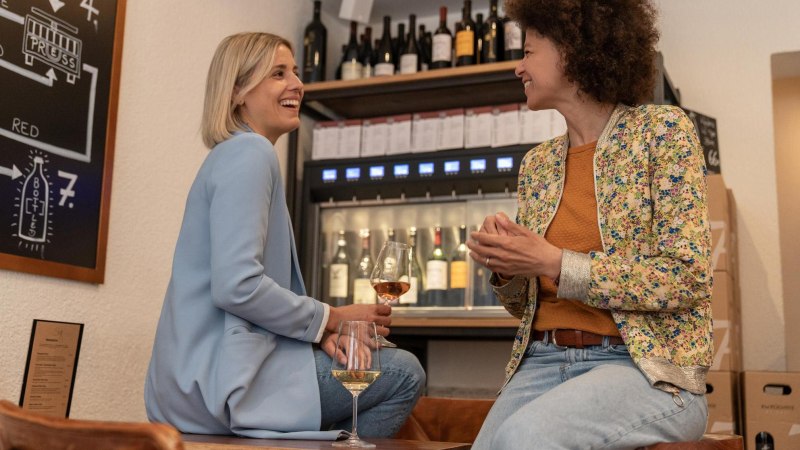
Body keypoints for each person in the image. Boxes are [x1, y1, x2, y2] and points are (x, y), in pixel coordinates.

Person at [144, 32, 424, 440]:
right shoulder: (250, 154)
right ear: (238, 91)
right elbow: (237, 287)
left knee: (368, 367)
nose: (297, 84)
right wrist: (332, 318)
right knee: (402, 372)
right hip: (222, 385)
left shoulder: (232, 155)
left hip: (189, 381)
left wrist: (323, 333)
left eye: (295, 71)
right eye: (278, 73)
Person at [466, 1, 713, 448]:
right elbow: (525, 308)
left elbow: (686, 276)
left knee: (525, 437)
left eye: (528, 52)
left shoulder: (663, 133)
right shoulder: (537, 165)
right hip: (540, 360)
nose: (518, 68)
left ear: (572, 51)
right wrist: (507, 266)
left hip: (646, 369)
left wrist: (558, 262)